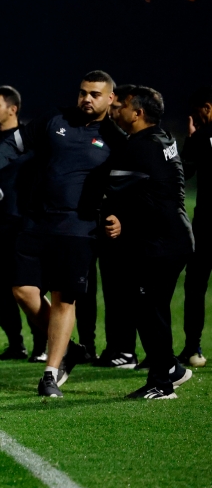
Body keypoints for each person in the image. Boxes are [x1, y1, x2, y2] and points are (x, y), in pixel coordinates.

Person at [0, 71, 122, 397]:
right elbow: (12, 144)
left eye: (95, 94)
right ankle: (70, 347)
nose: (86, 99)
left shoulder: (115, 136)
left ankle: (50, 373)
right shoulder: (55, 120)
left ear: (110, 98)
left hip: (78, 228)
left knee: (64, 298)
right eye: (83, 92)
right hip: (36, 222)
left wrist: (119, 215)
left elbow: (128, 183)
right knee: (22, 291)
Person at [103, 86, 194, 399]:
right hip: (175, 237)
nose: (116, 111)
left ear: (138, 113)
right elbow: (150, 190)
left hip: (159, 242)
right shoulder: (164, 137)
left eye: (121, 106)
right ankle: (171, 369)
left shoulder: (138, 147)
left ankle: (161, 384)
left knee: (148, 310)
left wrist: (116, 216)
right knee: (151, 308)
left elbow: (111, 190)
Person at [0, 86, 47, 362]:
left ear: (12, 109)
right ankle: (15, 343)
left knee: (28, 286)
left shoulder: (31, 140)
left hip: (23, 224)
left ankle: (42, 343)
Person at [93, 85, 142, 369]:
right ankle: (117, 348)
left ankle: (125, 350)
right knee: (113, 290)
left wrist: (123, 217)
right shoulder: (119, 139)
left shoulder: (132, 143)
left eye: (117, 107)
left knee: (124, 291)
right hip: (109, 222)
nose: (113, 113)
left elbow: (138, 189)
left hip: (125, 229)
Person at [180, 84, 212, 367]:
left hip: (208, 225)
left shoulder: (202, 136)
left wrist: (191, 139)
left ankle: (193, 348)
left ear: (207, 108)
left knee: (196, 285)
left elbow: (183, 172)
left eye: (196, 112)